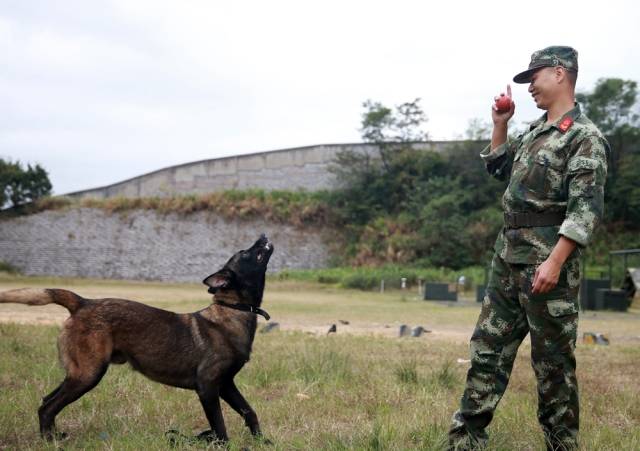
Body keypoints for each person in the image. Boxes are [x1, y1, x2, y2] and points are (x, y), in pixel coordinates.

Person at [447, 46, 609, 450]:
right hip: (508, 261)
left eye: (534, 77)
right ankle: (464, 440)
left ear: (559, 74)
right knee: (487, 351)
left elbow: (584, 211)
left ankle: (561, 444)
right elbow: (499, 169)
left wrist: (554, 262)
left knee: (552, 365)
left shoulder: (584, 138)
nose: (530, 87)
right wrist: (500, 124)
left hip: (547, 267)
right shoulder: (536, 133)